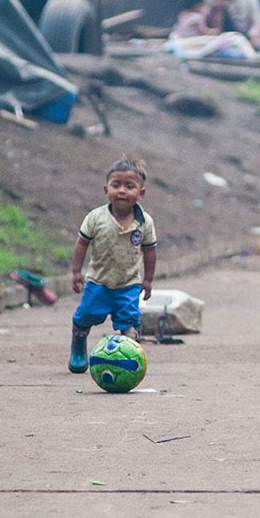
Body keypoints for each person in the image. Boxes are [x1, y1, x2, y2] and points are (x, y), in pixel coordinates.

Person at [68, 158, 159, 373]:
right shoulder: (96, 218)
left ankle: (131, 361)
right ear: (105, 189)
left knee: (130, 323)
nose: (122, 191)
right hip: (98, 282)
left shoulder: (145, 222)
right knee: (85, 317)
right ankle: (78, 346)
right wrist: (76, 272)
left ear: (141, 193)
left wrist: (148, 279)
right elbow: (82, 243)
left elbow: (150, 250)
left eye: (130, 186)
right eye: (116, 185)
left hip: (128, 284)